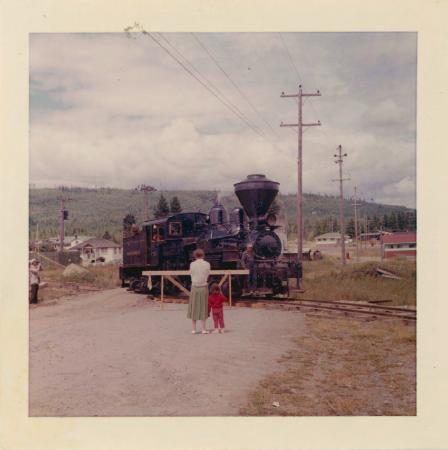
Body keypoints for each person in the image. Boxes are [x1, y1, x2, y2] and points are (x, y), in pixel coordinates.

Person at [187, 248, 210, 334]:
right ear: (203, 255)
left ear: (195, 256)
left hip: (195, 287)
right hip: (203, 287)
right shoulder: (207, 264)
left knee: (194, 308)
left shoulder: (192, 264)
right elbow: (208, 274)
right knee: (203, 308)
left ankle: (193, 329)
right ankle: (203, 329)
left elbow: (190, 273)